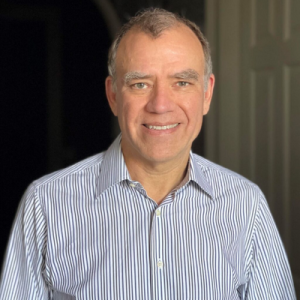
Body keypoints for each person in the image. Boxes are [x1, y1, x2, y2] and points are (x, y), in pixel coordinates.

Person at [0, 8, 296, 300]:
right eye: (140, 84)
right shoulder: (46, 203)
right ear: (113, 95)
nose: (160, 105)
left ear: (206, 93)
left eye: (182, 82)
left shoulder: (246, 204)